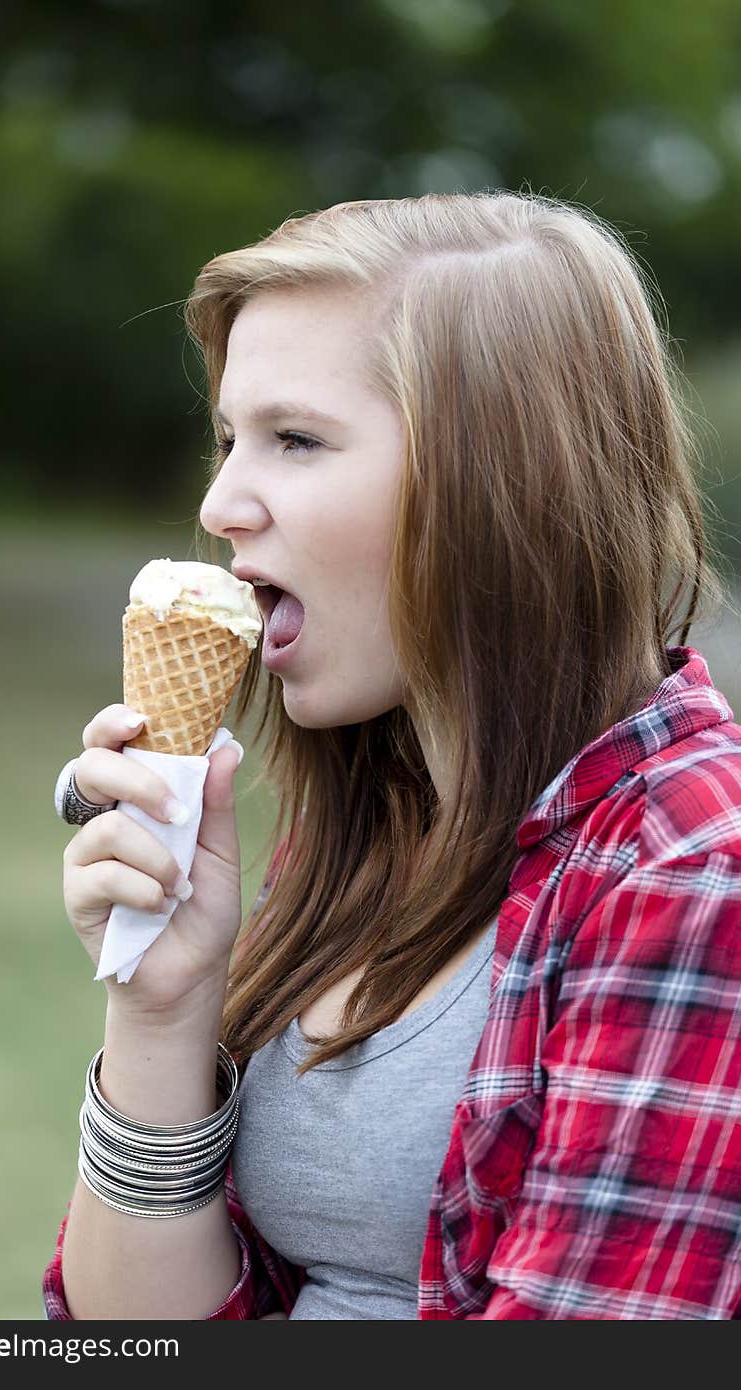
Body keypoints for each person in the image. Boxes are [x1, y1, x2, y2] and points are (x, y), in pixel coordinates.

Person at [43, 191, 741, 1320]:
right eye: (229, 439)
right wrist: (160, 1012)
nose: (220, 503)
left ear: (505, 482)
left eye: (298, 439)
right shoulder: (368, 825)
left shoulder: (692, 870)